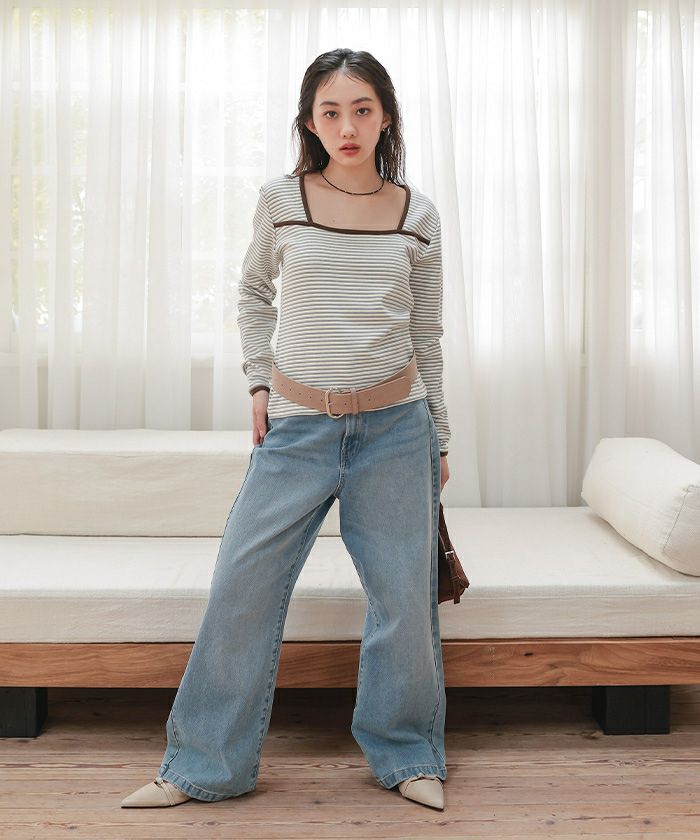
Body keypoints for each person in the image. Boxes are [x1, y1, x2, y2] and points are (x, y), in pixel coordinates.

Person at [121, 47, 451, 812]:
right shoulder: (282, 201)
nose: (347, 127)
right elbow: (252, 294)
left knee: (404, 601)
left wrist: (439, 437)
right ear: (309, 122)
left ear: (386, 118)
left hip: (396, 430)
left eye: (362, 110)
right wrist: (258, 380)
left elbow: (427, 336)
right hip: (297, 432)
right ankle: (202, 766)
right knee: (241, 585)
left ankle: (409, 755)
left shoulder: (418, 214)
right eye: (331, 112)